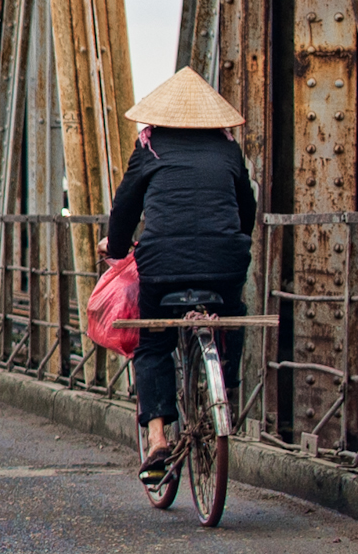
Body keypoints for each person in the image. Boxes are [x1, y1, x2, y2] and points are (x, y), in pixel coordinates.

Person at [98, 67, 256, 484]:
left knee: (152, 342)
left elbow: (125, 209)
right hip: (225, 261)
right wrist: (231, 243)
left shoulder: (149, 148)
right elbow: (247, 211)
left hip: (163, 266)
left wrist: (114, 251)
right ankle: (227, 380)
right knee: (234, 309)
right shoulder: (227, 150)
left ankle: (156, 439)